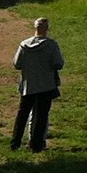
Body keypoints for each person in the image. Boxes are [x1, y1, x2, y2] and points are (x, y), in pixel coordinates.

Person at [11, 17, 65, 152]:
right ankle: (36, 145)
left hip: (28, 85)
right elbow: (59, 64)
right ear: (47, 29)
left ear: (35, 28)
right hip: (46, 85)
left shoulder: (24, 44)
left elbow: (17, 64)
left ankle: (15, 143)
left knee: (22, 115)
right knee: (41, 116)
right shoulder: (52, 45)